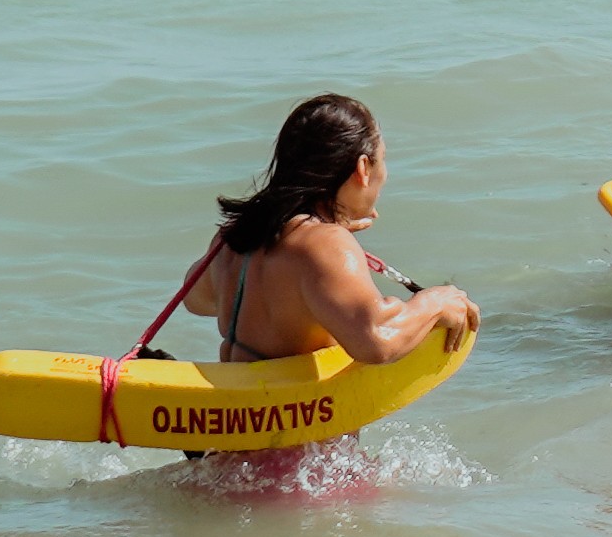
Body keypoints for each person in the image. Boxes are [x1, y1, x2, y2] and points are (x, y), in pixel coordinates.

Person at [184, 94, 480, 362]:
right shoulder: (326, 245)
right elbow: (377, 340)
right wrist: (434, 302)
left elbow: (195, 299)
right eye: (384, 160)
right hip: (300, 423)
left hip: (241, 415)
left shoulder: (234, 238)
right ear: (363, 169)